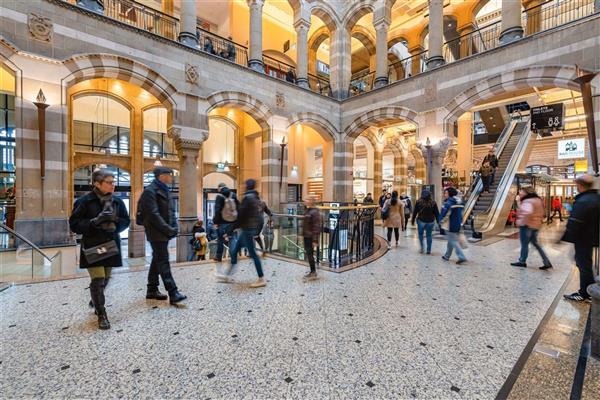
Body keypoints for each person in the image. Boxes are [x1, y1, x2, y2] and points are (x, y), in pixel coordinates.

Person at [69, 169, 130, 330]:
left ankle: (95, 299)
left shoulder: (117, 202)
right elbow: (74, 224)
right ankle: (101, 314)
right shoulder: (84, 201)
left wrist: (115, 223)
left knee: (106, 278)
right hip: (93, 244)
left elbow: (126, 220)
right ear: (97, 183)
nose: (113, 185)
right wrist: (95, 222)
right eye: (109, 182)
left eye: (113, 182)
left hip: (110, 244)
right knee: (98, 279)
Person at [138, 167, 186, 305]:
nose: (171, 178)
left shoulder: (164, 189)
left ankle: (151, 289)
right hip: (156, 232)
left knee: (157, 259)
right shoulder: (150, 191)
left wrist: (174, 227)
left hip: (163, 231)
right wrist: (167, 229)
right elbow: (153, 215)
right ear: (161, 176)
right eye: (169, 175)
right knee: (164, 261)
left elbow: (170, 212)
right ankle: (173, 292)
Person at [218, 179, 266, 288]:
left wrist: (230, 230)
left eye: (244, 184)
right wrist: (257, 230)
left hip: (247, 230)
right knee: (234, 252)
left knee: (253, 254)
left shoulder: (248, 198)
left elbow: (241, 217)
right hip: (248, 229)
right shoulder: (255, 197)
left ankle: (261, 278)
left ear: (247, 186)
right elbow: (258, 216)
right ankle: (227, 275)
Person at [562, 175, 600, 302]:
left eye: (577, 185)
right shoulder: (595, 197)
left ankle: (584, 293)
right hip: (590, 237)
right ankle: (589, 289)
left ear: (581, 186)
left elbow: (575, 220)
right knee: (584, 263)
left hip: (584, 238)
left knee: (583, 264)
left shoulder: (584, 200)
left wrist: (565, 236)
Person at [510, 186, 553, 269]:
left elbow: (527, 212)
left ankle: (522, 261)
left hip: (527, 226)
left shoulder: (527, 201)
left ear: (526, 192)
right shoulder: (538, 200)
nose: (520, 193)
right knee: (536, 244)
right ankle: (546, 261)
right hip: (535, 226)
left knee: (524, 244)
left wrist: (521, 222)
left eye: (521, 192)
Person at [213, 182, 239, 262]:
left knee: (220, 239)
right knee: (233, 238)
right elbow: (238, 208)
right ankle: (233, 256)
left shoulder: (219, 196)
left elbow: (217, 210)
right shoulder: (233, 195)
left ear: (219, 188)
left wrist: (216, 222)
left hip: (222, 223)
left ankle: (219, 257)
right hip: (233, 222)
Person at [440, 187, 467, 264]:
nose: (444, 195)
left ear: (449, 194)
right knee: (450, 241)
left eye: (445, 193)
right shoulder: (459, 202)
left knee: (453, 241)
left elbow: (445, 215)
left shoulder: (448, 203)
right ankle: (447, 256)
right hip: (458, 223)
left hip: (450, 225)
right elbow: (462, 213)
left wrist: (440, 221)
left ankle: (461, 256)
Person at [411, 189, 440, 255]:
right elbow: (437, 213)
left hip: (421, 221)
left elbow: (415, 212)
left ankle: (422, 248)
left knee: (421, 235)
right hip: (430, 221)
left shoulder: (418, 202)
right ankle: (428, 250)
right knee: (429, 235)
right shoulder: (433, 202)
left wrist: (412, 220)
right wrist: (438, 221)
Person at [302, 197, 321, 280]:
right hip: (307, 236)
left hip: (310, 237)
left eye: (307, 199)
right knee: (309, 254)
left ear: (311, 201)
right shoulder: (308, 210)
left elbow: (316, 227)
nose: (305, 201)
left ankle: (313, 272)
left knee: (310, 255)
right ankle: (312, 271)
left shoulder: (314, 212)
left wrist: (315, 240)